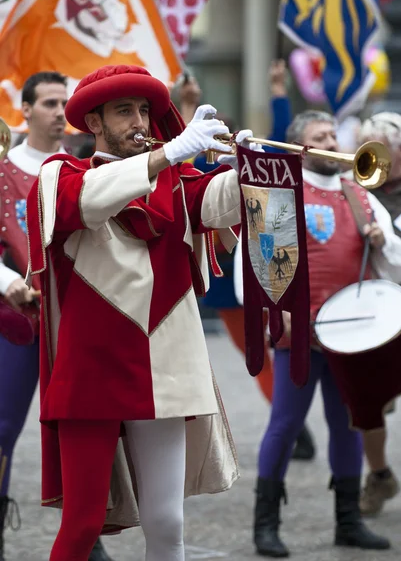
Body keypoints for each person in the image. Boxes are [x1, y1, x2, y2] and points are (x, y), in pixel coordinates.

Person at [24, 64, 259, 561]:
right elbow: (86, 202)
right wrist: (172, 152)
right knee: (84, 521)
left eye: (145, 111)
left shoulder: (176, 180)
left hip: (165, 367)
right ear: (94, 124)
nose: (139, 122)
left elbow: (225, 205)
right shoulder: (60, 175)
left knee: (167, 522)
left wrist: (249, 168)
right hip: (92, 371)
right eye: (124, 111)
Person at [234, 110, 401, 557]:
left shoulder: (360, 194)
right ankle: (265, 525)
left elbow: (395, 266)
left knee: (347, 426)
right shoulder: (280, 190)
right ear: (300, 147)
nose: (331, 140)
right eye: (319, 135)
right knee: (285, 425)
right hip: (299, 334)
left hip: (350, 336)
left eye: (333, 133)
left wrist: (384, 244)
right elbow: (254, 261)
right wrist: (274, 310)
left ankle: (348, 522)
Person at [0, 72, 114, 561]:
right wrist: (9, 283)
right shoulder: (2, 172)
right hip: (19, 321)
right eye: (48, 102)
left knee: (83, 428)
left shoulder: (85, 169)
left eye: (64, 102)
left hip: (79, 319)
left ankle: (87, 533)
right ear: (24, 110)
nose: (57, 110)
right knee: (3, 429)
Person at [356, 112, 401, 516]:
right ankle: (380, 475)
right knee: (370, 405)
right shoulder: (354, 189)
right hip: (375, 312)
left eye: (379, 147)